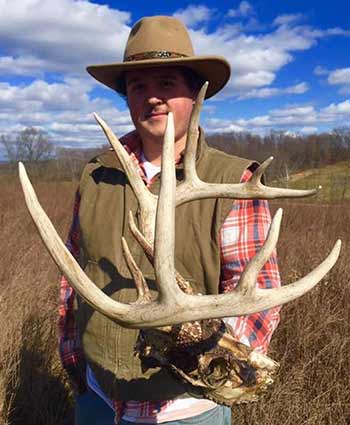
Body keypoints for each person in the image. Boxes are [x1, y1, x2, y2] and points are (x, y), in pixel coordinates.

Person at [59, 15, 281, 425]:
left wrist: (209, 363)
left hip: (186, 409)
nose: (152, 98)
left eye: (166, 84)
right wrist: (74, 361)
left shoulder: (235, 181)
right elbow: (73, 276)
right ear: (127, 98)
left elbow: (257, 293)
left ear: (195, 94)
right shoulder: (96, 175)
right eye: (138, 86)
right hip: (97, 399)